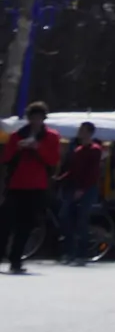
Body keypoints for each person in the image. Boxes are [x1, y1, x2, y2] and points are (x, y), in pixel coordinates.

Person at [1, 102, 61, 273]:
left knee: (25, 225)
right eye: (32, 118)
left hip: (36, 185)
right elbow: (6, 158)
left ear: (43, 118)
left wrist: (38, 148)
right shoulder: (17, 135)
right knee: (5, 222)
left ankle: (16, 260)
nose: (35, 121)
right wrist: (18, 148)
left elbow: (52, 160)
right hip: (16, 184)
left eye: (39, 118)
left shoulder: (51, 136)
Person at [55, 120, 103, 266]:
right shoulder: (78, 150)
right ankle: (69, 252)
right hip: (73, 186)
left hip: (87, 188)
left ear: (89, 132)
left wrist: (82, 189)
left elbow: (92, 172)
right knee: (65, 217)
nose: (79, 132)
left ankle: (81, 254)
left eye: (83, 130)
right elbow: (72, 170)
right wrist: (59, 179)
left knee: (81, 220)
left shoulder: (95, 149)